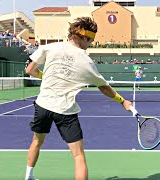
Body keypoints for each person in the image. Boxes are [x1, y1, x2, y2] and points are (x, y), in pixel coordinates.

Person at [24, 17, 132, 180]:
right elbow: (104, 87)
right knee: (78, 156)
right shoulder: (87, 62)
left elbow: (30, 70)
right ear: (85, 37)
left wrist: (46, 76)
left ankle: (28, 176)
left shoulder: (50, 47)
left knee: (36, 142)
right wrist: (122, 101)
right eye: (91, 41)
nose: (90, 44)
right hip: (65, 112)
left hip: (42, 107)